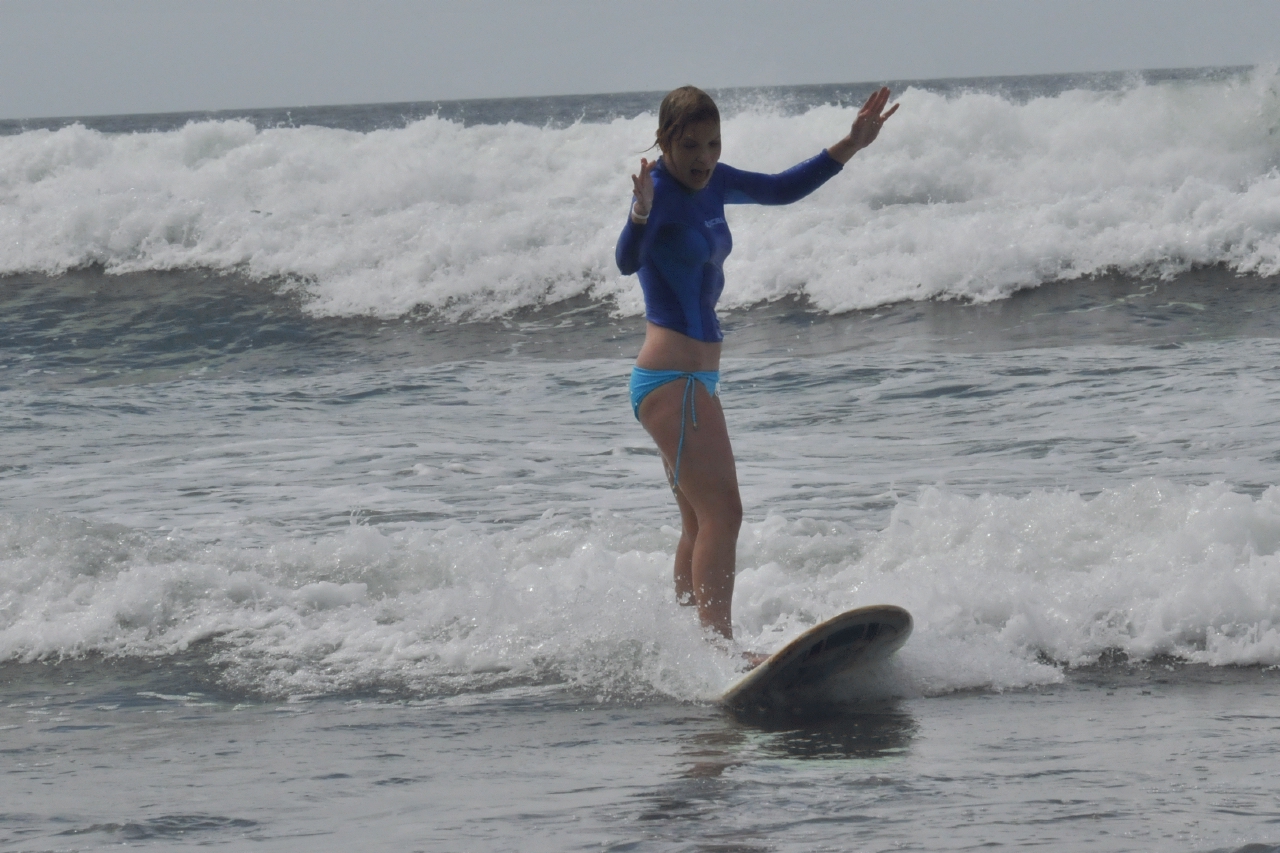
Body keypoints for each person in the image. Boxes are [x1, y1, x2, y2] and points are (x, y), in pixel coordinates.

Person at [615, 85, 898, 647]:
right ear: (665, 141)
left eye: (713, 143)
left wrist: (852, 144)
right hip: (674, 380)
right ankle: (719, 649)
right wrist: (639, 212)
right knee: (725, 512)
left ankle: (687, 647)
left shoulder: (714, 180)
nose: (704, 157)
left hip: (692, 381)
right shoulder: (661, 193)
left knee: (699, 521)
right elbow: (627, 261)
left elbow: (781, 189)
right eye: (690, 144)